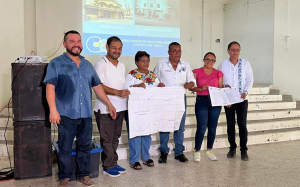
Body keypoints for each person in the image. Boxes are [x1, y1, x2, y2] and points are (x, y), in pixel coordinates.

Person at [44, 30, 116, 187]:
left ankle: (83, 175)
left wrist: (109, 104)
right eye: (72, 41)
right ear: (64, 44)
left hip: (85, 115)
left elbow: (97, 87)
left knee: (84, 147)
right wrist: (53, 110)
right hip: (66, 114)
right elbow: (50, 87)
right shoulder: (56, 63)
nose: (76, 44)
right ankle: (64, 177)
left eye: (78, 41)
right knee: (64, 148)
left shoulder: (87, 65)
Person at [93, 36, 130, 177]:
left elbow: (121, 85)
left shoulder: (121, 65)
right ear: (107, 47)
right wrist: (117, 93)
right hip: (105, 108)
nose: (117, 51)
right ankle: (107, 166)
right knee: (107, 138)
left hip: (120, 107)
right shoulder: (100, 64)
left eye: (120, 48)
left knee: (115, 137)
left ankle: (113, 162)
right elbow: (99, 86)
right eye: (114, 47)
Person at [154, 42, 196, 163]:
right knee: (165, 125)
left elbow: (192, 79)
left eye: (179, 50)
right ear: (169, 52)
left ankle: (179, 152)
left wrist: (191, 83)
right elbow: (154, 78)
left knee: (180, 126)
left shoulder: (186, 65)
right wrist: (158, 84)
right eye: (174, 50)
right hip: (165, 99)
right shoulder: (161, 64)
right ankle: (164, 152)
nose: (177, 53)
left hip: (180, 99)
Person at [124, 51, 165, 170]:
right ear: (136, 62)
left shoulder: (152, 75)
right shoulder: (131, 74)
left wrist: (160, 85)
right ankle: (134, 160)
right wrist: (135, 87)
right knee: (135, 134)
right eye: (142, 60)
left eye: (147, 60)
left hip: (149, 109)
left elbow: (157, 88)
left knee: (147, 133)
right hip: (134, 110)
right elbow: (125, 89)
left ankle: (146, 157)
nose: (145, 63)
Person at [218, 41, 254, 161]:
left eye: (237, 49)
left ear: (239, 51)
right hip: (229, 99)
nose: (235, 52)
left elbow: (250, 79)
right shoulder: (223, 64)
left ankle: (244, 150)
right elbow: (218, 80)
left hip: (242, 98)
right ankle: (232, 148)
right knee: (230, 124)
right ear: (228, 51)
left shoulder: (245, 64)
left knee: (242, 124)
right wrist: (224, 85)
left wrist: (245, 92)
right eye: (232, 49)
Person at [189, 52, 223, 162]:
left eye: (212, 60)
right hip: (201, 101)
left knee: (212, 127)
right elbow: (191, 88)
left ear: (215, 62)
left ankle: (209, 150)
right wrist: (200, 89)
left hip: (215, 102)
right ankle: (197, 151)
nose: (210, 62)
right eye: (207, 59)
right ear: (203, 60)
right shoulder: (196, 72)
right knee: (202, 127)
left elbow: (220, 89)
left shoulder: (219, 73)